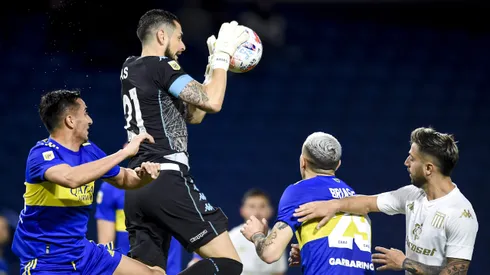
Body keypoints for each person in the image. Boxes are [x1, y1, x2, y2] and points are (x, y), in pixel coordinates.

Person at [119, 9, 249, 274]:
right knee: (230, 264)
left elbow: (194, 115)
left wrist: (212, 69)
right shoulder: (160, 66)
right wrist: (223, 56)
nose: (183, 45)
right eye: (179, 38)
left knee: (150, 272)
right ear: (161, 35)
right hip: (167, 179)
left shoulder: (131, 67)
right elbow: (212, 102)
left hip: (138, 187)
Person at [11, 90, 166, 275]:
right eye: (85, 113)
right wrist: (124, 153)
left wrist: (144, 176)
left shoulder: (90, 151)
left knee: (155, 273)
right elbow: (71, 178)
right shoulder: (41, 154)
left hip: (82, 253)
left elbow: (125, 179)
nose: (90, 120)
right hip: (46, 260)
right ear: (70, 120)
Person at [293, 127, 478, 274]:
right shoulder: (412, 195)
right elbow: (366, 203)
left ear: (429, 169)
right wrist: (332, 206)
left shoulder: (460, 214)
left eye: (412, 159)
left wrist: (405, 263)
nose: (406, 162)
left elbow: (456, 273)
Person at [240, 132, 375, 275]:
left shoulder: (299, 191)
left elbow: (270, 253)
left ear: (302, 161)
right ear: (338, 165)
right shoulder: (352, 196)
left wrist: (256, 234)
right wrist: (309, 252)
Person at [188, 188, 288, 275]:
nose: (257, 212)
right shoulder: (231, 238)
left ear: (270, 210)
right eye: (252, 206)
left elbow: (278, 272)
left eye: (262, 206)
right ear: (242, 210)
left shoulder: (278, 239)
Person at [96, 181, 184, 274]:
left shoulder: (175, 182)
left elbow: (198, 222)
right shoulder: (110, 187)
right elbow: (106, 244)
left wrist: (196, 258)